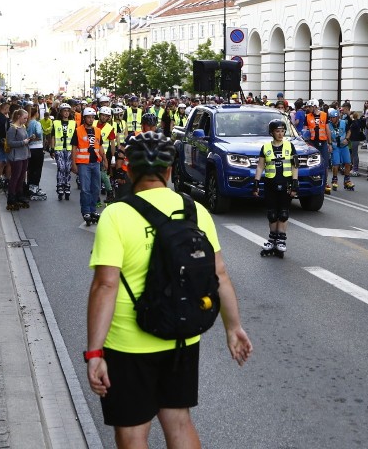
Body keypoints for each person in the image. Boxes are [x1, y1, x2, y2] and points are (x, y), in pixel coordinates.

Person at [86, 132, 252, 449]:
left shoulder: (116, 214)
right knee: (178, 421)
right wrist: (233, 328)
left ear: (128, 170)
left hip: (127, 342)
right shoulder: (195, 211)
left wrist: (94, 352)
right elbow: (220, 274)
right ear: (169, 170)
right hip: (181, 333)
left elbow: (105, 285)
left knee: (133, 432)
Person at [253, 119, 299, 256]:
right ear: (272, 132)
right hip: (270, 184)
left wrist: (295, 183)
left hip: (286, 183)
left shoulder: (290, 146)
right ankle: (272, 239)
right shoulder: (266, 147)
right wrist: (256, 183)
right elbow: (260, 166)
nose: (280, 134)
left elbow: (295, 166)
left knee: (283, 213)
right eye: (277, 131)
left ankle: (281, 241)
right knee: (272, 214)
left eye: (282, 131)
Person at [72, 107, 105, 225]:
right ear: (84, 118)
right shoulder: (78, 130)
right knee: (85, 189)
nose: (91, 120)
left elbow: (100, 146)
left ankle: (93, 210)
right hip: (83, 164)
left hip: (95, 162)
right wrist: (73, 163)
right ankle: (86, 211)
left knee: (96, 188)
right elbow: (74, 148)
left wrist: (105, 160)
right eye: (89, 117)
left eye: (92, 117)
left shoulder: (97, 131)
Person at [5, 108, 33, 211]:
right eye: (24, 118)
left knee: (21, 177)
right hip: (16, 156)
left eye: (27, 118)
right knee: (15, 177)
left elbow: (24, 140)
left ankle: (19, 194)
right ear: (18, 117)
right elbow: (10, 143)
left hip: (24, 154)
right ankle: (11, 197)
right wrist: (23, 142)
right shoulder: (13, 128)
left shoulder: (23, 127)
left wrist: (29, 140)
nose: (26, 120)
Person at [303, 100, 332, 192]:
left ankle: (325, 182)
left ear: (315, 106)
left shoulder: (324, 115)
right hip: (312, 143)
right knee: (313, 163)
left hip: (322, 142)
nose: (308, 109)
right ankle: (314, 180)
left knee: (325, 164)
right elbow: (305, 131)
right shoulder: (307, 116)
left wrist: (329, 143)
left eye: (310, 107)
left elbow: (327, 130)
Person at [50, 103, 75, 200]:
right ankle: (60, 185)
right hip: (59, 148)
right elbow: (53, 137)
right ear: (60, 112)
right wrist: (52, 148)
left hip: (69, 149)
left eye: (68, 111)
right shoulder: (56, 123)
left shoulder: (73, 123)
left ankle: (67, 184)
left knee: (68, 168)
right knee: (61, 167)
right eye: (64, 111)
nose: (66, 113)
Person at [327, 109, 354, 191]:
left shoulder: (343, 122)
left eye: (333, 118)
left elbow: (349, 131)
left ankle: (347, 180)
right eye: (330, 118)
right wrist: (330, 144)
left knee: (347, 163)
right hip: (335, 146)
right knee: (336, 164)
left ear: (337, 117)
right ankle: (334, 180)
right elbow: (328, 136)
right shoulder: (328, 125)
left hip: (344, 146)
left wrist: (347, 138)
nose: (331, 119)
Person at [26, 106, 47, 201]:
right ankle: (34, 188)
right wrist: (39, 136)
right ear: (36, 114)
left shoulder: (27, 123)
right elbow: (38, 132)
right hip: (37, 147)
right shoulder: (36, 123)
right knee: (37, 169)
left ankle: (29, 186)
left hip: (29, 148)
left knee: (30, 168)